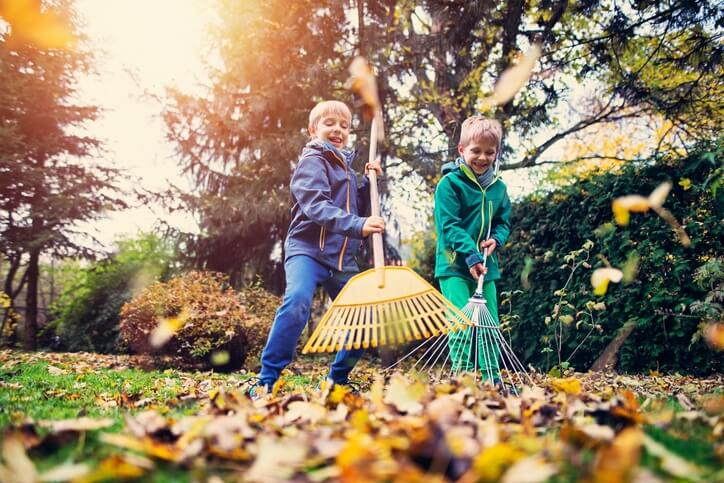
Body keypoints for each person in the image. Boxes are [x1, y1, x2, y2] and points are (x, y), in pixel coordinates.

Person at [251, 100, 384, 398]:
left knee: (364, 317)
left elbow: (358, 208)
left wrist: (367, 183)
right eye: (329, 123)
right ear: (313, 131)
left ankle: (336, 380)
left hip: (340, 259)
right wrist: (358, 224)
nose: (337, 129)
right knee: (297, 300)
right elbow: (316, 206)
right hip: (307, 250)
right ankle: (266, 380)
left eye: (344, 126)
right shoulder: (312, 159)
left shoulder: (349, 170)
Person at [433, 115, 511, 381]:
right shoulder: (449, 185)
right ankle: (462, 377)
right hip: (454, 264)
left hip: (486, 266)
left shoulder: (498, 188)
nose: (482, 157)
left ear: (496, 153)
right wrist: (470, 255)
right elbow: (450, 226)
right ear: (462, 150)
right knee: (460, 324)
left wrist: (496, 240)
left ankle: (492, 378)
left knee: (490, 325)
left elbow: (503, 222)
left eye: (489, 152)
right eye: (476, 151)